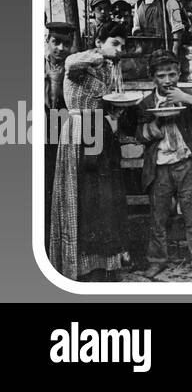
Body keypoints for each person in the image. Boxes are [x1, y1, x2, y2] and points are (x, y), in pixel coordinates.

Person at [48, 22, 136, 281]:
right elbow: (71, 66)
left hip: (100, 131)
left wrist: (116, 112)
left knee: (104, 198)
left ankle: (105, 264)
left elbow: (107, 102)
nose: (119, 50)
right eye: (115, 44)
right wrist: (102, 53)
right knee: (82, 195)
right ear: (98, 42)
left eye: (123, 46)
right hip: (78, 130)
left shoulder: (110, 70)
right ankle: (80, 266)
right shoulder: (79, 60)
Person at [137, 49, 192, 279]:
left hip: (185, 165)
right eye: (161, 76)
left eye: (172, 74)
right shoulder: (146, 104)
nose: (167, 80)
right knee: (158, 219)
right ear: (152, 77)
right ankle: (156, 262)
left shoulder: (186, 95)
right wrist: (150, 129)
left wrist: (188, 99)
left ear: (179, 73)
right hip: (159, 168)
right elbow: (137, 134)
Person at [43, 21, 76, 226]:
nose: (61, 49)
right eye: (56, 42)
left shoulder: (73, 69)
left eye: (66, 44)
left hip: (64, 132)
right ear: (47, 41)